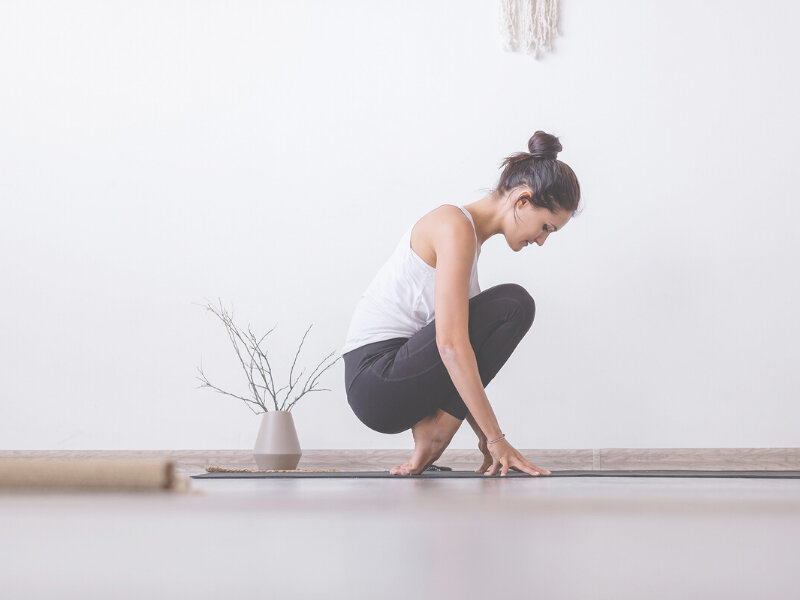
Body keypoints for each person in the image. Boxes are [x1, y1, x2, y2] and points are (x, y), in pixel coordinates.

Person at [341, 130, 581, 477]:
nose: (541, 240)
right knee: (515, 303)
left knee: (493, 319)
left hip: (393, 377)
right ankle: (435, 435)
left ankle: (434, 435)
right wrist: (496, 439)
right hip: (376, 378)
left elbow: (460, 355)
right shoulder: (453, 226)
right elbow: (450, 346)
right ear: (523, 200)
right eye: (546, 227)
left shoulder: (467, 240)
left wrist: (484, 437)